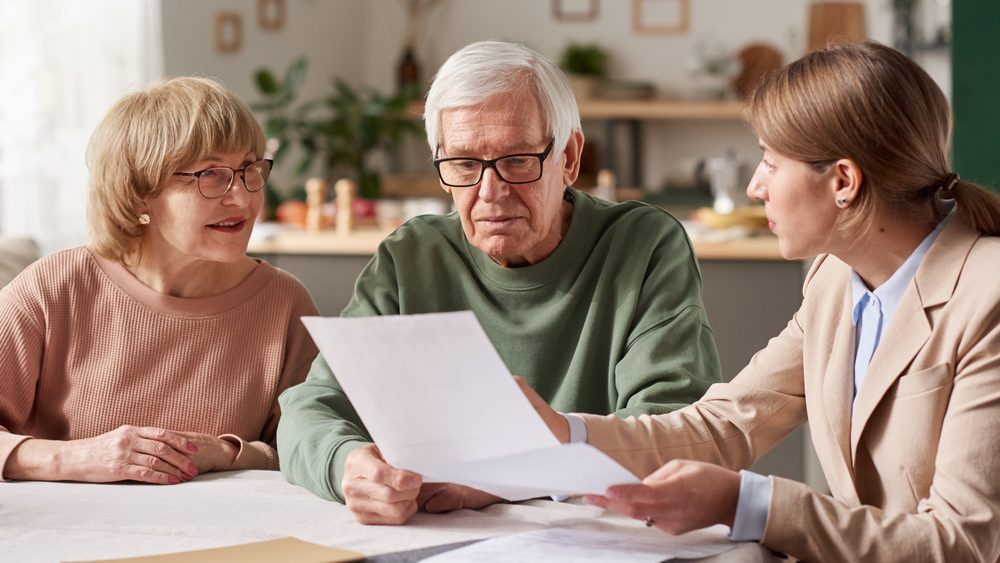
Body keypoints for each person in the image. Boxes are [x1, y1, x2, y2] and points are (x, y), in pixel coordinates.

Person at [521, 41, 1000, 561]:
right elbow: (727, 424)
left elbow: (963, 543)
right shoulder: (835, 280)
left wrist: (750, 503)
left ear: (843, 181)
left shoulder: (987, 296)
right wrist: (564, 434)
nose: (754, 187)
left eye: (771, 162)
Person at [277, 40, 722, 525]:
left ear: (569, 158)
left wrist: (509, 479)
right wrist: (347, 466)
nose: (491, 193)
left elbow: (673, 432)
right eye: (465, 164)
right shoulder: (412, 257)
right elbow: (308, 409)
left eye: (516, 160)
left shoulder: (644, 245)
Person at [0, 77, 319, 485]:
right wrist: (75, 457)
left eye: (248, 169)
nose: (243, 198)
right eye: (211, 175)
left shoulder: (284, 302)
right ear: (138, 193)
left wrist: (225, 452)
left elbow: (311, 448)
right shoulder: (55, 287)